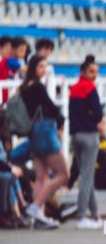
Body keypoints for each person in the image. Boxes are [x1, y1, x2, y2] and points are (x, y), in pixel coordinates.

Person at [19, 55, 66, 229]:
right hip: (45, 134)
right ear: (33, 68)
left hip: (34, 135)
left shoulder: (24, 88)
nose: (44, 70)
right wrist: (61, 121)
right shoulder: (37, 87)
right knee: (63, 174)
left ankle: (39, 217)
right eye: (41, 67)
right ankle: (36, 207)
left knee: (41, 177)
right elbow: (51, 108)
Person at [68, 55, 105, 229]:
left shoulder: (74, 88)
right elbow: (98, 114)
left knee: (85, 175)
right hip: (89, 135)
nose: (94, 75)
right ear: (83, 71)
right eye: (91, 71)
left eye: (96, 72)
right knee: (87, 177)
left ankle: (95, 214)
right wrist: (93, 117)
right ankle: (81, 216)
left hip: (75, 135)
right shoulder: (90, 88)